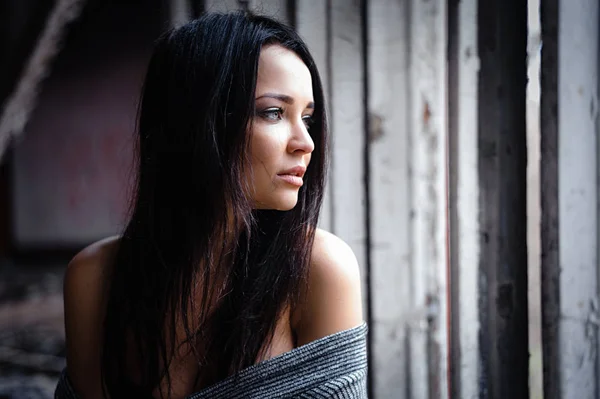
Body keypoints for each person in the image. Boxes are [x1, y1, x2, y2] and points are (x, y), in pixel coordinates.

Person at [55, 10, 366, 399]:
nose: (306, 142)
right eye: (274, 112)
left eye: (307, 117)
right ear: (199, 120)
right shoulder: (93, 278)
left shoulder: (318, 270)